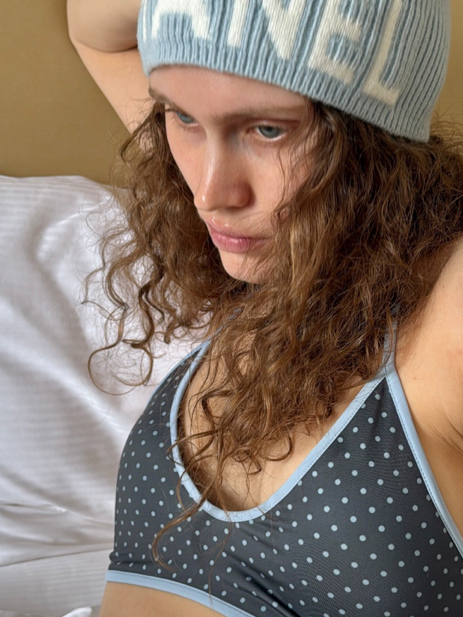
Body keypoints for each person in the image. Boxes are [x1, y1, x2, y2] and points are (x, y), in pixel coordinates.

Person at [68, 1, 463, 615]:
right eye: (182, 116)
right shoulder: (280, 260)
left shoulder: (442, 316)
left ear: (375, 137)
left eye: (268, 130)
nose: (209, 193)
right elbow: (92, 27)